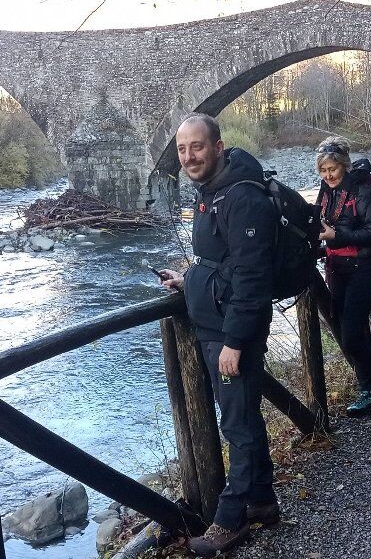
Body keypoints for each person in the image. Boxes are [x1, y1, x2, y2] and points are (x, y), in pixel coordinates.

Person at [158, 114, 278, 556]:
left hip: (231, 334)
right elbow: (220, 263)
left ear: (219, 146)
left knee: (238, 426)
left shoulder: (242, 197)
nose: (189, 156)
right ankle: (262, 502)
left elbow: (252, 277)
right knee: (244, 418)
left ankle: (230, 521)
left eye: (198, 147)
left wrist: (235, 341)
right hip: (217, 325)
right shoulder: (213, 192)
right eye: (183, 149)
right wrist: (188, 279)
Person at [314, 137, 371, 415]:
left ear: (344, 166)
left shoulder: (362, 190)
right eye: (323, 171)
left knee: (351, 336)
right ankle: (369, 388)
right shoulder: (326, 190)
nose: (328, 175)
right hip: (335, 269)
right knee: (347, 330)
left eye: (333, 170)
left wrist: (336, 236)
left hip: (361, 269)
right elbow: (319, 222)